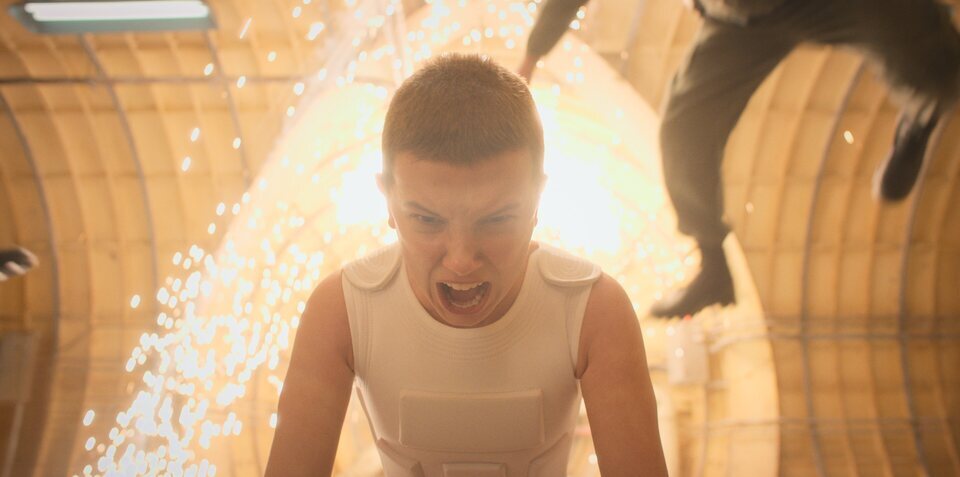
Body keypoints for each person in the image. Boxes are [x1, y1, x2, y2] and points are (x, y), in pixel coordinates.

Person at [265, 54, 667, 476]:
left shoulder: (593, 311)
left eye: (496, 220)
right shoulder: (342, 311)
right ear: (387, 201)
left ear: (537, 201)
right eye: (427, 220)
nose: (461, 261)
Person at [519, 0, 960, 318]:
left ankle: (919, 120)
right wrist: (532, 56)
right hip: (742, 20)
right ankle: (713, 265)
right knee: (684, 130)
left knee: (940, 74)